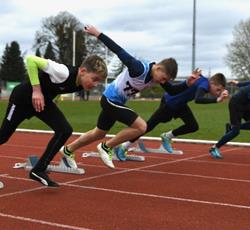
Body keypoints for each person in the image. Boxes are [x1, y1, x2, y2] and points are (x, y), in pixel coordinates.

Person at [60, 24, 197, 169]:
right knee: (141, 126)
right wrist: (97, 34)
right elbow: (118, 50)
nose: (162, 82)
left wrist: (187, 83)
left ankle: (68, 150)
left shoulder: (154, 77)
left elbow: (172, 90)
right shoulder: (138, 68)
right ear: (158, 68)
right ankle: (107, 147)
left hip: (115, 102)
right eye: (163, 78)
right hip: (110, 100)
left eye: (164, 81)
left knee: (98, 133)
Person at [0, 54, 107, 187]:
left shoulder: (80, 83)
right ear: (83, 71)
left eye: (99, 82)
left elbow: (56, 86)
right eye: (95, 79)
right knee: (3, 136)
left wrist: (52, 100)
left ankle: (38, 170)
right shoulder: (63, 72)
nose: (96, 84)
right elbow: (31, 60)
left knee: (64, 130)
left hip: (41, 103)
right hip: (22, 99)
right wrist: (37, 91)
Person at [115, 72, 228, 160]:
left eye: (220, 91)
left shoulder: (204, 82)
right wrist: (217, 100)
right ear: (212, 83)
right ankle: (123, 146)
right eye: (218, 90)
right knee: (149, 125)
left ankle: (167, 136)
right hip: (169, 102)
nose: (217, 93)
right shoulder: (204, 84)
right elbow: (198, 99)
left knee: (193, 126)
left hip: (180, 105)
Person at [209, 80, 250, 159]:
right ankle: (214, 148)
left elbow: (244, 84)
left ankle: (231, 127)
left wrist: (236, 82)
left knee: (235, 128)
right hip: (236, 104)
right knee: (235, 132)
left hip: (246, 104)